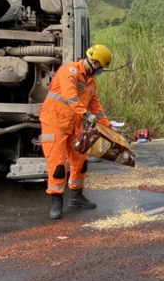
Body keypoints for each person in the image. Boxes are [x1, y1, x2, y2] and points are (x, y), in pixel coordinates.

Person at [39, 44, 113, 219]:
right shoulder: (69, 71)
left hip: (74, 124)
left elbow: (96, 108)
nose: (100, 71)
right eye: (100, 67)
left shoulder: (90, 82)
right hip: (54, 122)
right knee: (57, 164)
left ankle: (76, 196)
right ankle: (56, 201)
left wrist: (109, 128)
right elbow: (69, 96)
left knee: (80, 161)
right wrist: (86, 114)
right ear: (94, 62)